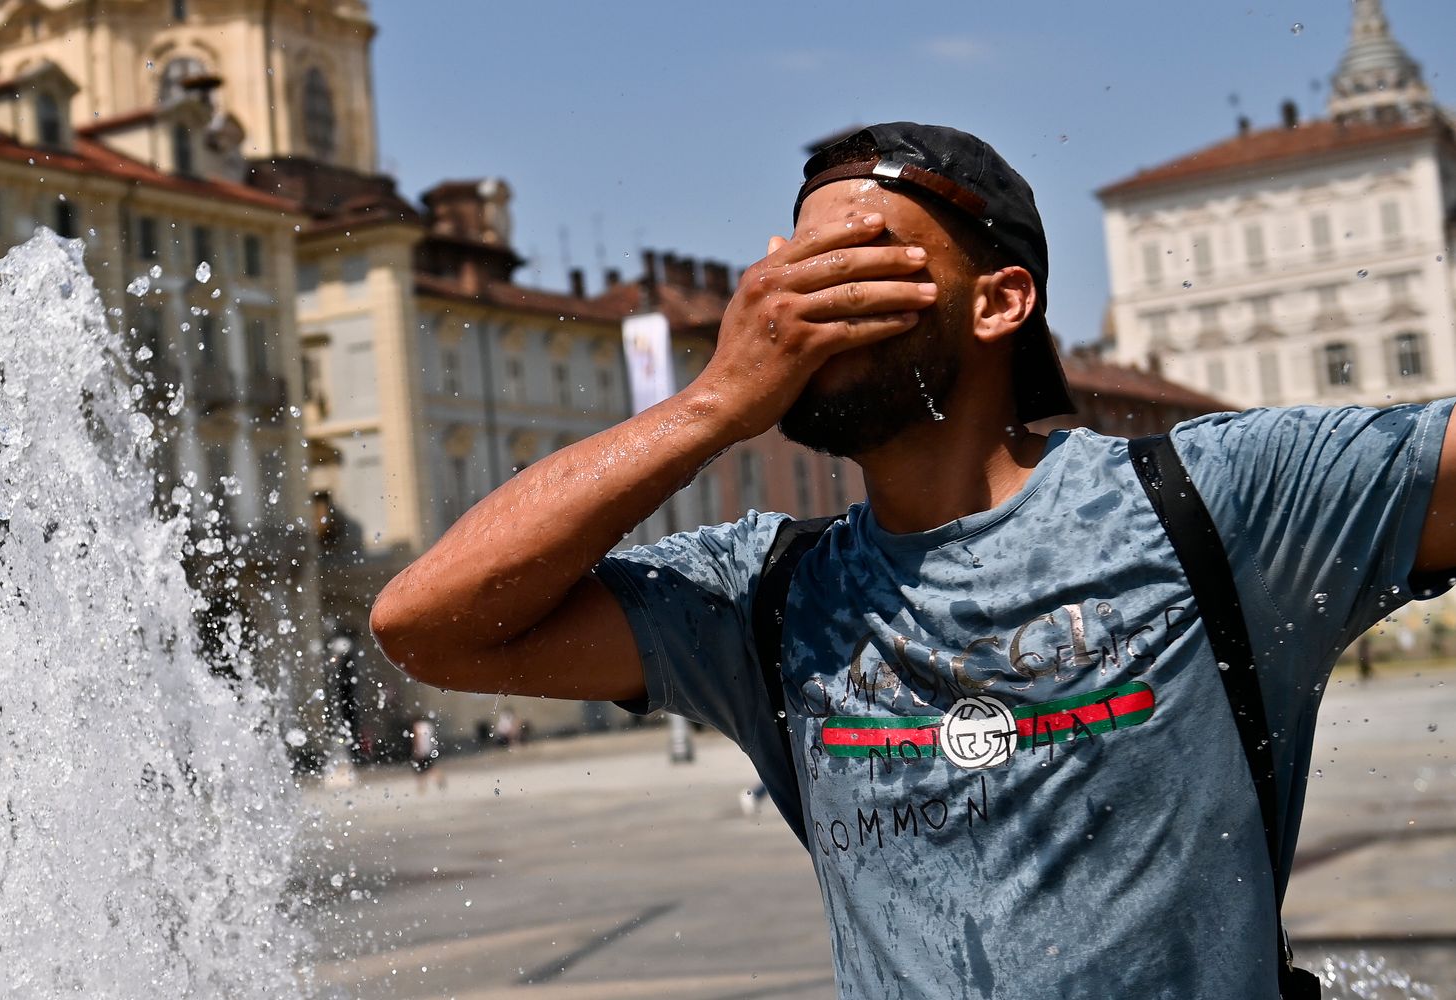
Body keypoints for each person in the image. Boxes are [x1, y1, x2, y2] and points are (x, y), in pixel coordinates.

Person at [370, 122, 1456, 998]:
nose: (803, 306)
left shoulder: (1212, 505)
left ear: (997, 302)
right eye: (794, 268)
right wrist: (710, 403)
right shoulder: (765, 596)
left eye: (858, 269)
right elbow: (426, 625)